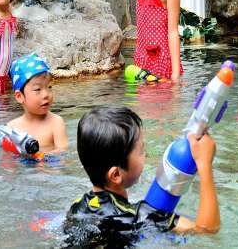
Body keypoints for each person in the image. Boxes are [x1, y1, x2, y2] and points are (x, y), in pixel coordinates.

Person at [64, 106, 220, 247]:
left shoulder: (77, 207)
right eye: (141, 151)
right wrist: (204, 164)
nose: (146, 154)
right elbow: (206, 229)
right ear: (116, 175)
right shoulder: (137, 217)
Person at [7, 53, 68, 151]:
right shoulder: (12, 127)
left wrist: (40, 158)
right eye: (37, 89)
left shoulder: (55, 123)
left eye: (49, 87)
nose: (46, 95)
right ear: (19, 96)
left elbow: (62, 153)